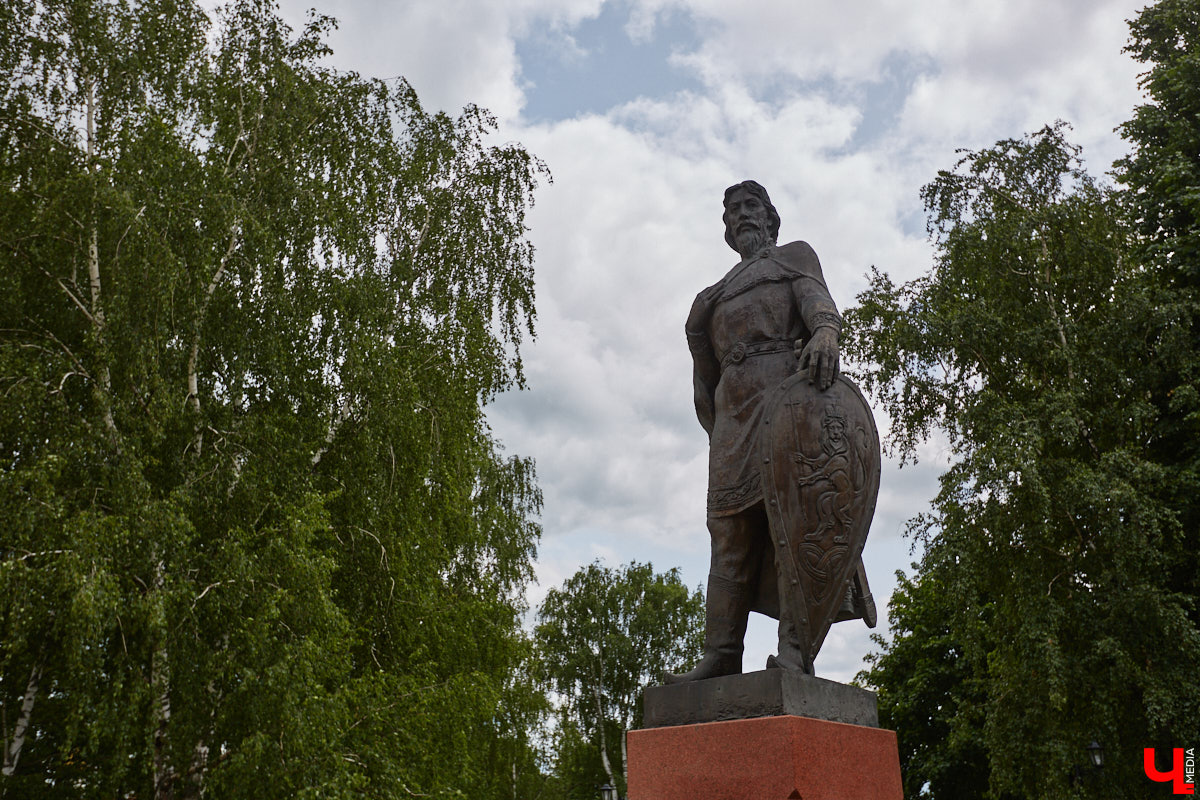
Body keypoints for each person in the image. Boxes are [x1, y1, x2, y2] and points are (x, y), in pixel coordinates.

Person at [666, 180, 874, 683]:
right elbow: (706, 376)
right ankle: (721, 653)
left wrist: (825, 331)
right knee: (729, 533)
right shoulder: (712, 296)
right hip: (734, 420)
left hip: (787, 412)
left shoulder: (793, 259)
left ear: (770, 217)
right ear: (725, 227)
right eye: (733, 209)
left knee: (793, 523)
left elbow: (819, 306)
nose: (741, 215)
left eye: (750, 206)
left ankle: (795, 651)